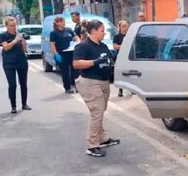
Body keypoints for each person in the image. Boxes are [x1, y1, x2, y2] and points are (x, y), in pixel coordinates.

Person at [73, 19, 120, 157]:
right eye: (102, 30)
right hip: (90, 83)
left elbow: (110, 59)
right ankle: (92, 145)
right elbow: (76, 63)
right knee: (97, 113)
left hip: (103, 81)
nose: (104, 33)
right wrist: (95, 62)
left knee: (101, 110)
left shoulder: (102, 45)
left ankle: (103, 138)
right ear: (93, 31)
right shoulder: (83, 46)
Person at [0, 17, 31, 114]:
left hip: (21, 61)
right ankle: (13, 106)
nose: (14, 27)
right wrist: (14, 41)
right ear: (7, 26)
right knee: (12, 85)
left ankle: (24, 104)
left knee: (23, 84)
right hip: (9, 63)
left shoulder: (19, 35)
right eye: (11, 26)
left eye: (15, 25)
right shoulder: (3, 35)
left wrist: (24, 43)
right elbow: (6, 48)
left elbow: (24, 49)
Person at [50, 16, 80, 93]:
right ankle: (67, 87)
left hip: (71, 52)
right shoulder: (54, 33)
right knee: (65, 71)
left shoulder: (68, 30)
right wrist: (56, 54)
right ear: (57, 23)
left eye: (64, 21)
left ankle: (78, 86)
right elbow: (52, 44)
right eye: (62, 21)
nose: (64, 23)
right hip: (62, 53)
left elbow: (75, 37)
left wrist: (77, 41)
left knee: (76, 70)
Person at [113, 20, 129, 97]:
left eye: (126, 26)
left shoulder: (130, 35)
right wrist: (123, 46)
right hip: (120, 56)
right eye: (123, 26)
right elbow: (115, 46)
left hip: (129, 57)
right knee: (120, 73)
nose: (125, 28)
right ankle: (120, 90)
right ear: (120, 28)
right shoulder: (116, 36)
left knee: (130, 72)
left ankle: (132, 89)